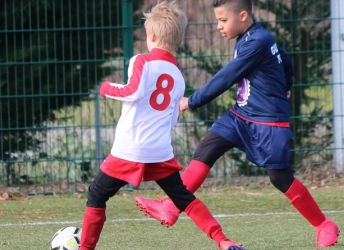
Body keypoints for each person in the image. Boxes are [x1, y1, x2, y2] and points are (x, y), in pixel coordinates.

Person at [135, 0, 340, 248]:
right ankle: (171, 207)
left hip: (268, 122)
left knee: (280, 177)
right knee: (207, 148)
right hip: (240, 116)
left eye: (223, 21)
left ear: (243, 16)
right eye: (218, 20)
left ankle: (323, 224)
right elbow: (284, 58)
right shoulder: (253, 37)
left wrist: (193, 101)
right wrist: (287, 83)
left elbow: (227, 77)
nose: (219, 26)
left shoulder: (258, 41)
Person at [79, 1, 244, 249]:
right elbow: (172, 115)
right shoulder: (178, 75)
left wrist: (105, 88)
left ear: (152, 36)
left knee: (96, 194)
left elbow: (131, 91)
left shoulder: (141, 61)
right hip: (159, 151)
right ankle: (223, 239)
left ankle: (85, 248)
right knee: (183, 198)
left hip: (130, 149)